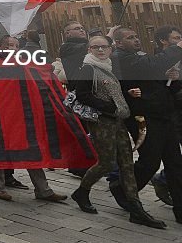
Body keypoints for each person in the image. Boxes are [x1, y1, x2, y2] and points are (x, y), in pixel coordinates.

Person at [69, 34, 165, 228]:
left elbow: (114, 92)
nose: (101, 50)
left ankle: (135, 208)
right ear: (89, 50)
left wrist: (125, 96)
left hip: (118, 121)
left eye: (104, 47)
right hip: (102, 122)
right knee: (105, 163)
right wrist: (109, 108)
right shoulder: (89, 68)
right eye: (96, 47)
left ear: (111, 49)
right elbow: (83, 95)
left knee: (127, 163)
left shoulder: (109, 67)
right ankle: (81, 192)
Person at [111, 26, 182, 222]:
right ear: (118, 43)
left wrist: (170, 79)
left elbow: (155, 80)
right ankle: (121, 188)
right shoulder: (121, 59)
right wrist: (178, 47)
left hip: (163, 115)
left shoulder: (139, 57)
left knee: (175, 163)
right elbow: (151, 65)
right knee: (150, 162)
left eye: (136, 36)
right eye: (130, 37)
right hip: (143, 118)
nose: (136, 39)